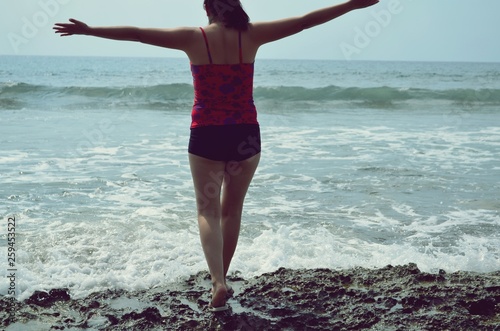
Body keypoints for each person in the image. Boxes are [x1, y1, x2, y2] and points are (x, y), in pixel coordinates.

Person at [54, 0, 379, 312]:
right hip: (245, 134)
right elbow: (306, 21)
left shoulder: (193, 38)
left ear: (208, 7)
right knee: (231, 210)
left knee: (206, 210)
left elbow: (138, 33)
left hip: (207, 133)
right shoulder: (252, 34)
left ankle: (218, 281)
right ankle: (222, 278)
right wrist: (351, 4)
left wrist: (90, 30)